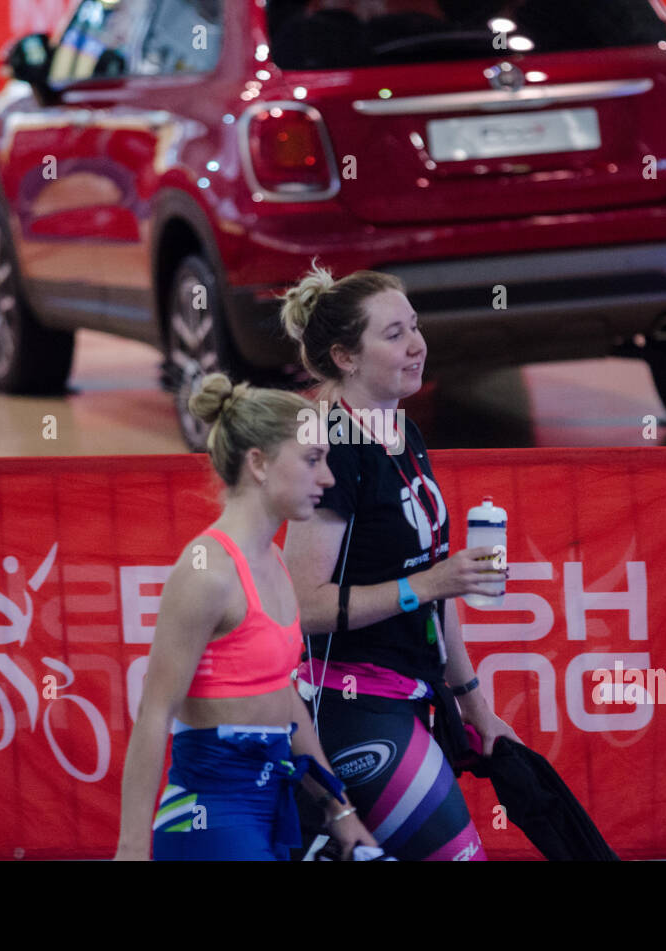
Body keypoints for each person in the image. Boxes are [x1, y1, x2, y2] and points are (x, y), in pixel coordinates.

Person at [280, 262, 521, 862]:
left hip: (411, 694)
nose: (417, 345)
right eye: (394, 334)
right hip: (349, 705)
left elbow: (438, 589)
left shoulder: (399, 430)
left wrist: (475, 706)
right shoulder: (331, 446)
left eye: (414, 326)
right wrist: (428, 583)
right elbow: (302, 605)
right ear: (345, 358)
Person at [115, 372, 377, 861]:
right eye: (313, 460)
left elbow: (282, 695)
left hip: (267, 802)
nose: (328, 478)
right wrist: (131, 849)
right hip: (209, 813)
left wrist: (341, 810)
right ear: (258, 463)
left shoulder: (274, 561)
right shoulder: (207, 573)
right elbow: (154, 712)